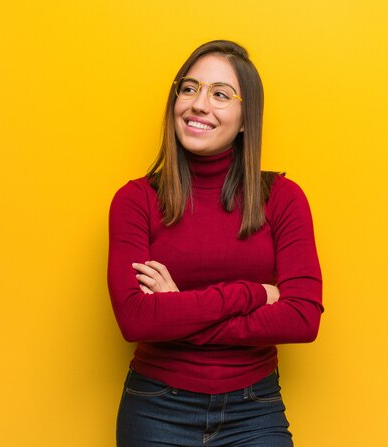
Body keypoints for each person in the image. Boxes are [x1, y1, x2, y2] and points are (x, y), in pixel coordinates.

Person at [108, 40, 323, 446]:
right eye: (189, 89)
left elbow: (303, 318)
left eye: (220, 94)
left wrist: (175, 308)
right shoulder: (135, 200)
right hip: (156, 408)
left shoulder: (281, 197)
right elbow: (136, 319)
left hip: (254, 409)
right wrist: (253, 293)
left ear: (246, 120)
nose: (198, 104)